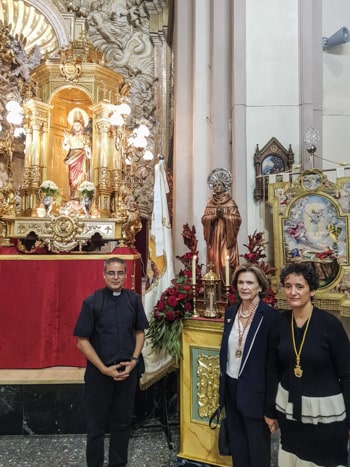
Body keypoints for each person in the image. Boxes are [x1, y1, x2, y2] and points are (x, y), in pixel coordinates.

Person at [264, 262, 350, 466]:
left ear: (312, 290)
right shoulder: (279, 323)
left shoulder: (330, 325)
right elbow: (272, 369)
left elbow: (347, 374)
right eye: (288, 286)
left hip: (326, 416)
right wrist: (269, 411)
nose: (292, 292)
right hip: (291, 413)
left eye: (299, 286)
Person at [73, 256, 148, 467]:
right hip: (100, 374)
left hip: (127, 371)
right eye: (111, 273)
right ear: (104, 275)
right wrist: (104, 369)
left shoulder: (133, 300)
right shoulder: (92, 302)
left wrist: (134, 360)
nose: (116, 277)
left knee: (122, 425)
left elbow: (140, 332)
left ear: (126, 275)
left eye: (120, 273)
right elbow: (82, 341)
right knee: (96, 428)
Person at [218, 263, 277, 466]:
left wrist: (270, 408)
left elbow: (272, 365)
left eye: (250, 283)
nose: (244, 287)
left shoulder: (269, 317)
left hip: (255, 394)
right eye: (241, 282)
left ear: (260, 286)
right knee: (239, 448)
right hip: (231, 390)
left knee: (258, 451)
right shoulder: (230, 313)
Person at [201, 168, 242, 286]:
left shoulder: (230, 202)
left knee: (226, 262)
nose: (217, 186)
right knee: (213, 262)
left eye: (219, 184)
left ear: (225, 186)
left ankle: (226, 289)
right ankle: (214, 290)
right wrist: (213, 217)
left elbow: (237, 219)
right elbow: (204, 219)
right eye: (214, 185)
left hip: (226, 237)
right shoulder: (210, 203)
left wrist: (224, 216)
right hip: (214, 238)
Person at [63, 109, 92, 199]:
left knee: (81, 176)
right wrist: (65, 139)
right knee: (72, 177)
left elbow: (89, 154)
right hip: (72, 157)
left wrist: (88, 150)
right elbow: (66, 147)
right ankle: (72, 194)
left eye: (78, 126)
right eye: (75, 126)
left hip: (81, 158)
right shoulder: (70, 137)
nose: (76, 127)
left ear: (82, 126)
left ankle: (80, 194)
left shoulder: (85, 137)